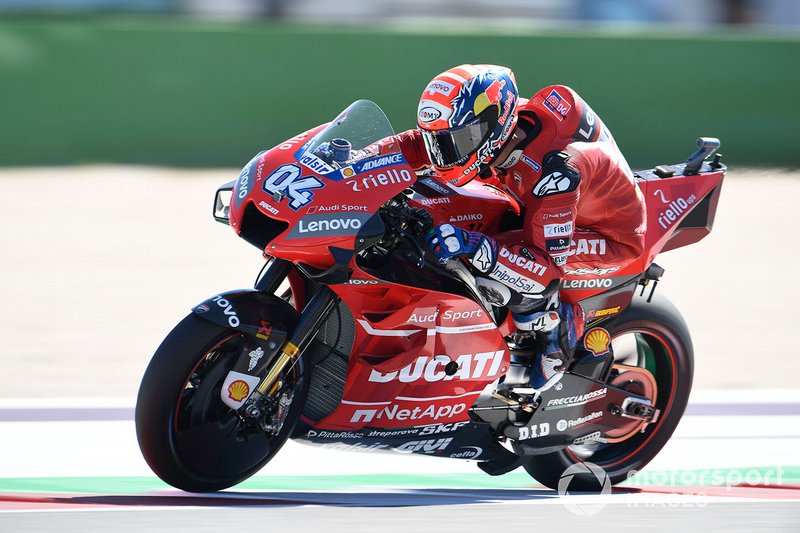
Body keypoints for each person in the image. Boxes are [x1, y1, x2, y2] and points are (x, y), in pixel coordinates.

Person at [381, 64, 647, 391]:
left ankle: (557, 326)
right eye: (442, 142)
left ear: (495, 123)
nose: (445, 155)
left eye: (457, 141)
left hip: (604, 233)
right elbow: (414, 146)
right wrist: (350, 163)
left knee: (484, 254)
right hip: (541, 204)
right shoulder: (487, 130)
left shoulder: (556, 172)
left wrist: (475, 246)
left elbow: (544, 266)